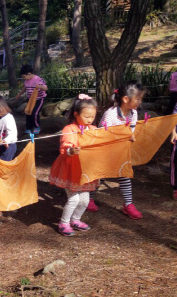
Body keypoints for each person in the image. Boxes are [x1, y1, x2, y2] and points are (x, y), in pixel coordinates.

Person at [88, 81, 146, 219]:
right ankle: (89, 198)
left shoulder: (134, 113)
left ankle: (128, 204)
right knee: (101, 175)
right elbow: (103, 134)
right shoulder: (111, 114)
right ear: (126, 99)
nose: (140, 101)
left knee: (125, 176)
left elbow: (130, 132)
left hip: (121, 152)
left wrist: (130, 137)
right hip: (105, 151)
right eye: (138, 98)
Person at [49, 94, 99, 236]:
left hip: (85, 170)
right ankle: (63, 223)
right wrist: (71, 150)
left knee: (85, 199)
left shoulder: (93, 129)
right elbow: (65, 146)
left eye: (92, 117)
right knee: (74, 198)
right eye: (87, 117)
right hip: (70, 169)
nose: (90, 120)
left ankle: (75, 220)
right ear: (76, 114)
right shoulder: (70, 128)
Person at [14, 64, 48, 135]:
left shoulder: (38, 79)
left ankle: (37, 126)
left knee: (34, 113)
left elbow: (46, 88)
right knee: (28, 112)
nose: (24, 78)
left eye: (24, 76)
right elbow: (25, 88)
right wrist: (19, 94)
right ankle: (28, 128)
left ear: (29, 74)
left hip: (39, 99)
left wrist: (39, 86)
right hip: (30, 99)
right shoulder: (26, 81)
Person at [0, 94, 18, 161]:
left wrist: (6, 140)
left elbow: (13, 133)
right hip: (0, 145)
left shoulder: (8, 118)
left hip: (9, 146)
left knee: (3, 163)